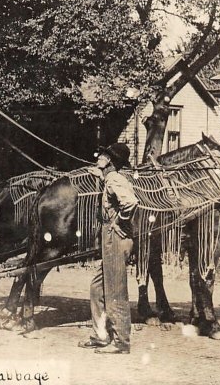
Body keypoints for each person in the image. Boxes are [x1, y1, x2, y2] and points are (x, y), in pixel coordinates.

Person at [78, 142, 138, 355]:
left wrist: (118, 222)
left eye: (103, 155)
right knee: (98, 288)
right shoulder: (109, 178)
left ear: (110, 160)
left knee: (115, 291)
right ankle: (101, 335)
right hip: (109, 237)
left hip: (116, 237)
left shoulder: (114, 179)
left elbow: (130, 202)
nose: (98, 156)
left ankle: (121, 342)